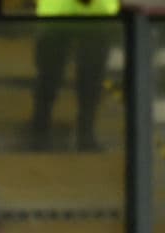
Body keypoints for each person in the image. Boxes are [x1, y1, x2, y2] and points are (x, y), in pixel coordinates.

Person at [30, 0, 119, 151]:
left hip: (88, 14)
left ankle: (84, 134)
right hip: (65, 13)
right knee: (50, 76)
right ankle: (41, 132)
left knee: (89, 78)